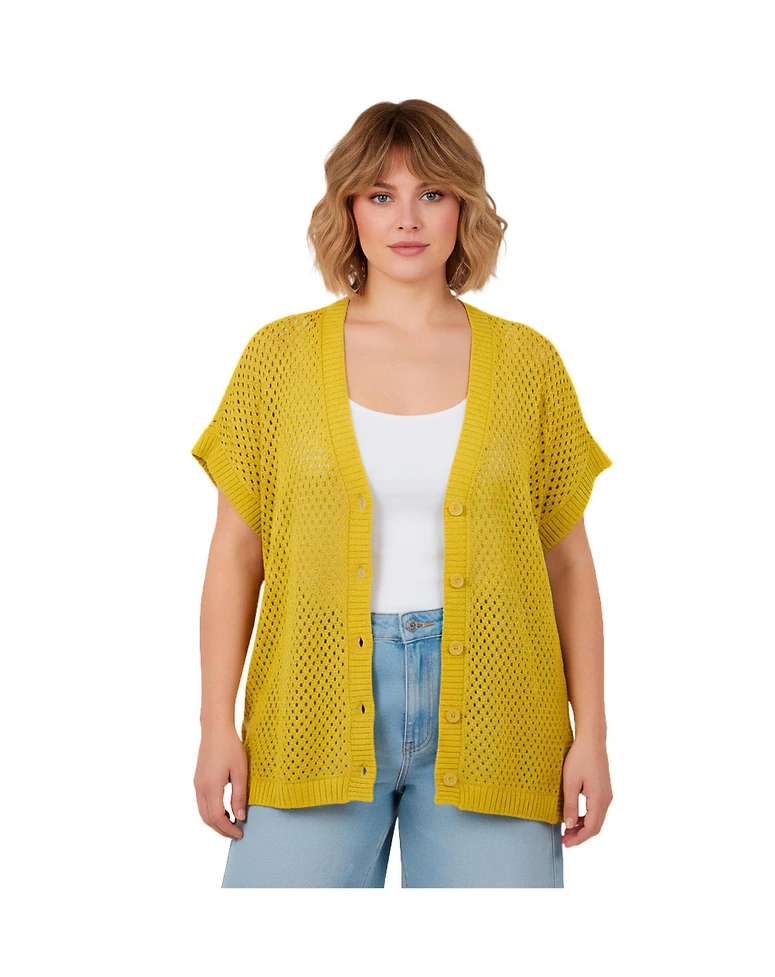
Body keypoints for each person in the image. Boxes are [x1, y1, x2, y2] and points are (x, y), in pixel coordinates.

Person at [191, 99, 614, 888]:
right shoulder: (278, 358)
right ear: (349, 209)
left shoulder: (529, 365)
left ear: (464, 207)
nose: (407, 218)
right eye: (381, 195)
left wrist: (591, 731)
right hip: (309, 703)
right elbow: (237, 550)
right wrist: (217, 723)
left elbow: (567, 563)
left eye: (433, 193)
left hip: (500, 709)